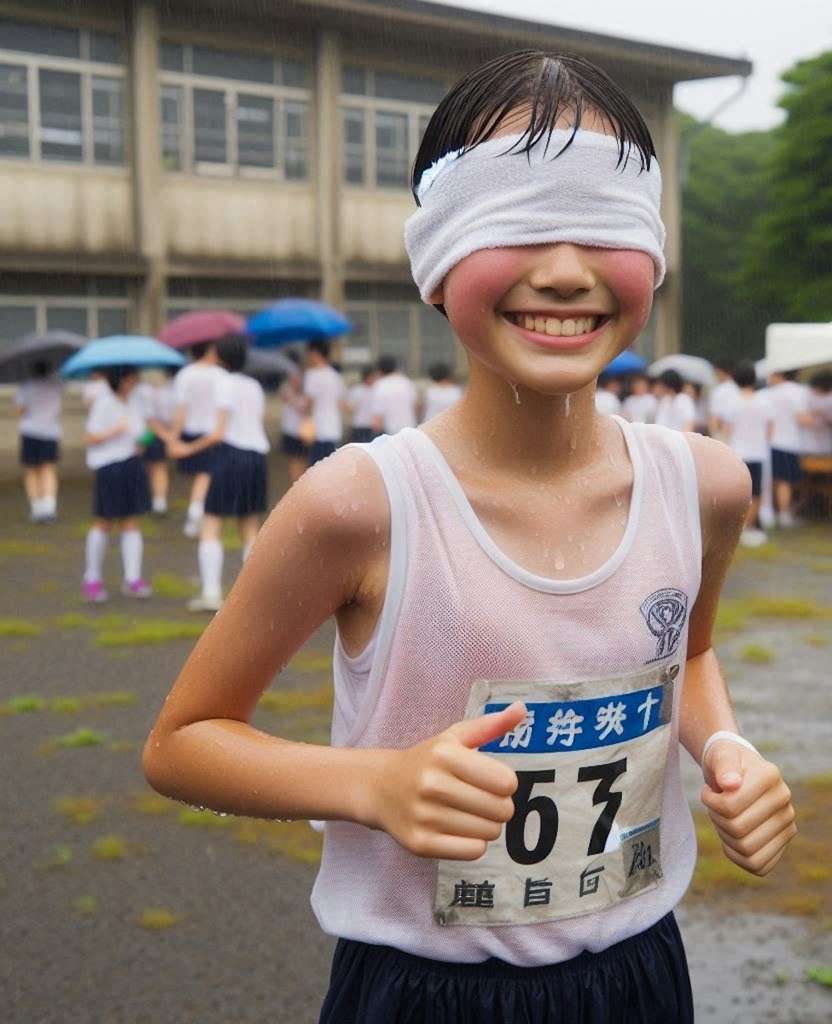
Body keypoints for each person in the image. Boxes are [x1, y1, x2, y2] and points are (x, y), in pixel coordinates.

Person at [144, 50, 794, 1024]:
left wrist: (728, 745)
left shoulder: (702, 483)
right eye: (517, 222)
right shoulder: (359, 503)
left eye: (601, 225)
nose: (566, 270)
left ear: (652, 254)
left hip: (638, 971)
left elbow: (686, 653)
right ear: (434, 263)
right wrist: (374, 783)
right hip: (421, 989)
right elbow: (184, 741)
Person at [168, 334, 270, 612]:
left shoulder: (222, 383)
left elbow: (218, 433)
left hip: (230, 456)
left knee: (212, 524)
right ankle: (258, 597)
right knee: (249, 529)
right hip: (257, 458)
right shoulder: (254, 385)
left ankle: (211, 594)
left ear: (220, 355)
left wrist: (185, 449)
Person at [82, 365, 152, 602]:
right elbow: (90, 437)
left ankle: (133, 579)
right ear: (122, 380)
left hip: (132, 463)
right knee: (104, 521)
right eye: (132, 377)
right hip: (109, 466)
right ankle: (92, 579)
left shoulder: (134, 402)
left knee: (131, 520)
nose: (136, 382)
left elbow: (143, 431)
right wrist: (115, 431)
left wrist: (144, 440)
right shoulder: (104, 403)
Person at [171, 341, 228, 538]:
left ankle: (196, 509)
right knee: (205, 475)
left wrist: (173, 438)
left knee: (199, 475)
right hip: (213, 434)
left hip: (190, 430)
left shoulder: (184, 374)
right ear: (211, 349)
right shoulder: (222, 376)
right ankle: (197, 510)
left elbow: (180, 410)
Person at [719, 361, 773, 547]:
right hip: (757, 452)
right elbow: (769, 431)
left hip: (737, 453)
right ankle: (747, 528)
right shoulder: (764, 401)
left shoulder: (732, 403)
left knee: (738, 494)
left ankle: (736, 528)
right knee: (755, 493)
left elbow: (725, 431)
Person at [15, 360, 62, 523]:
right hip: (51, 432)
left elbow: (20, 410)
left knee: (31, 471)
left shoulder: (26, 386)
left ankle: (36, 509)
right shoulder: (56, 386)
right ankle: (49, 508)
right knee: (48, 469)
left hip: (31, 431)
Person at [766, 370, 810, 529]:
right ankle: (784, 514)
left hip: (768, 442)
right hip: (788, 441)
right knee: (785, 480)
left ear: (779, 374)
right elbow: (803, 419)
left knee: (772, 480)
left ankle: (770, 512)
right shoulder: (798, 392)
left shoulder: (767, 393)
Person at [134, 367, 177, 515]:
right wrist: (168, 435)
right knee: (157, 467)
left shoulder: (142, 389)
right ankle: (157, 501)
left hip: (148, 433)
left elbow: (150, 418)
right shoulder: (169, 389)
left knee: (154, 467)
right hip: (153, 432)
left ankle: (157, 501)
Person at [303, 339, 346, 466]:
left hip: (318, 431)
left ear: (315, 353)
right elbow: (342, 403)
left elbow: (308, 404)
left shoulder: (312, 375)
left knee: (316, 471)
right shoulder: (335, 375)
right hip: (334, 429)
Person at [279, 350, 311, 484]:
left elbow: (304, 408)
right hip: (291, 429)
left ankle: (300, 486)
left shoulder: (308, 387)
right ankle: (296, 485)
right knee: (295, 461)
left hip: (302, 430)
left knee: (303, 461)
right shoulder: (287, 388)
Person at [371, 354, 417, 435]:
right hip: (410, 431)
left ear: (379, 369)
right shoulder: (406, 382)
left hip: (391, 434)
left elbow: (378, 420)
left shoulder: (380, 385)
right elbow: (415, 407)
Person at [801, 370, 832, 456]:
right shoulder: (804, 394)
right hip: (807, 444)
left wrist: (825, 418)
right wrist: (814, 414)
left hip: (828, 444)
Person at [707, 359, 740, 441]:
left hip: (724, 437)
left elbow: (714, 420)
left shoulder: (718, 391)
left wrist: (715, 441)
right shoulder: (738, 389)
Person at [346, 365, 379, 443]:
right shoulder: (357, 390)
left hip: (372, 426)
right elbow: (350, 408)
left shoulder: (378, 389)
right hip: (359, 425)